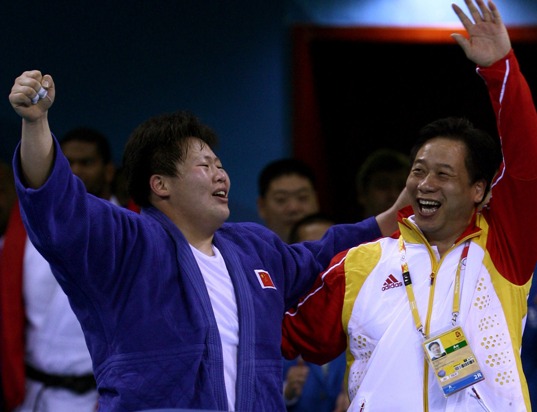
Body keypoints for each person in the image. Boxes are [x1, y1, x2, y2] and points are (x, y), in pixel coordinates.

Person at [7, 72, 405, 411]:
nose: (221, 176)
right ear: (159, 185)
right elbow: (57, 201)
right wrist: (36, 123)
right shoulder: (126, 242)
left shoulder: (255, 248)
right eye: (204, 165)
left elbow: (324, 254)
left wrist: (389, 219)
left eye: (220, 165)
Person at [282, 1, 537, 410]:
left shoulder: (503, 248)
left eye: (443, 174)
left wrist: (500, 70)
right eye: (419, 170)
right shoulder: (359, 264)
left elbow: (527, 164)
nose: (425, 184)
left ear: (478, 190)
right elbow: (284, 333)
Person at [0, 127, 120, 412]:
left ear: (108, 171)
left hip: (96, 397)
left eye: (86, 163)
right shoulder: (23, 230)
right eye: (67, 163)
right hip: (29, 395)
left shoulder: (131, 233)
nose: (75, 170)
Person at [284, 213, 349, 412]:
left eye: (332, 251)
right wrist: (286, 393)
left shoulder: (361, 312)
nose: (323, 263)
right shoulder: (273, 318)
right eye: (312, 252)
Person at [257, 158, 320, 243]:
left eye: (302, 197)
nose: (293, 208)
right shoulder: (249, 254)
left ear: (316, 200)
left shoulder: (340, 250)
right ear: (262, 207)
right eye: (281, 199)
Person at [355, 149, 410, 218]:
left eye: (401, 187)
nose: (393, 195)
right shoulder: (342, 229)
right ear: (362, 193)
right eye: (383, 186)